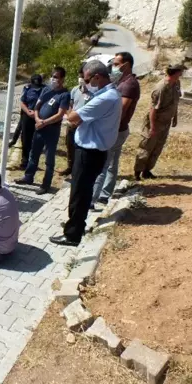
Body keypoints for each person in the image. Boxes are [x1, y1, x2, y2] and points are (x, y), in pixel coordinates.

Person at [50, 60, 122, 247]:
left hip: (89, 153)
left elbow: (73, 118)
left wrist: (68, 107)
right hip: (94, 152)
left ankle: (72, 234)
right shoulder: (108, 94)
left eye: (87, 78)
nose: (84, 81)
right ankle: (77, 225)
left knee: (79, 194)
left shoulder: (105, 98)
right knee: (83, 192)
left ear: (97, 77)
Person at [92, 52, 141, 205]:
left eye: (116, 64)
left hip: (116, 130)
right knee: (112, 163)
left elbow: (121, 110)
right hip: (118, 130)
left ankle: (91, 201)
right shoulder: (122, 81)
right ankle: (105, 194)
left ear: (126, 65)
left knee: (102, 165)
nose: (113, 67)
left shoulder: (129, 84)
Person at [15, 67, 70, 195]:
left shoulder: (64, 95)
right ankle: (28, 177)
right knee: (33, 154)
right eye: (52, 76)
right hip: (39, 128)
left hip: (51, 130)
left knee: (49, 159)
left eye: (56, 77)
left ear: (62, 79)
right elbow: (37, 106)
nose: (53, 79)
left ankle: (46, 184)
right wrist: (37, 119)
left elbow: (60, 114)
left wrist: (44, 122)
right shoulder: (46, 90)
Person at [133, 64, 185, 181]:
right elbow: (153, 109)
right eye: (180, 71)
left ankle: (147, 171)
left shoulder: (176, 84)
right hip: (155, 122)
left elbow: (175, 102)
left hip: (166, 122)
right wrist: (152, 127)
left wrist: (174, 117)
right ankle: (137, 172)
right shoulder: (161, 88)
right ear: (175, 72)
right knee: (146, 147)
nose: (181, 74)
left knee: (157, 147)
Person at [58, 65, 91, 177]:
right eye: (80, 76)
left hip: (83, 125)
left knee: (80, 149)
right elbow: (70, 106)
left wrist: (79, 121)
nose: (81, 79)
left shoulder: (93, 93)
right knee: (69, 145)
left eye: (83, 77)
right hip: (71, 124)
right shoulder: (75, 90)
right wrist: (70, 116)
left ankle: (79, 169)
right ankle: (70, 167)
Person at [14, 74, 46, 168]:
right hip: (27, 116)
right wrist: (28, 112)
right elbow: (22, 102)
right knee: (26, 139)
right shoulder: (27, 88)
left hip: (39, 117)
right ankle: (24, 161)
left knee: (36, 140)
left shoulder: (45, 89)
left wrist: (37, 113)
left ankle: (33, 162)